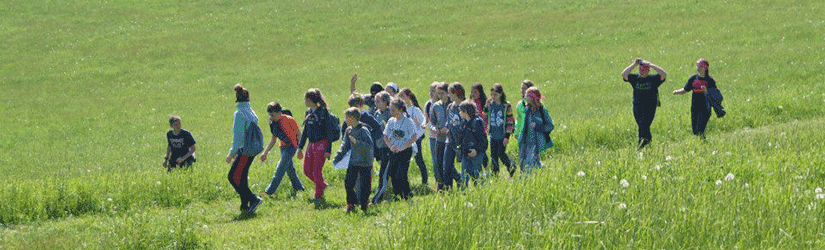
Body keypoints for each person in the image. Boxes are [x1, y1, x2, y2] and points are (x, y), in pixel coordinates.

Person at [225, 84, 263, 214]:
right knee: (242, 177)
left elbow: (238, 135)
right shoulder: (252, 112)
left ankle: (253, 199)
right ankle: (244, 206)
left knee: (232, 177)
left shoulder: (239, 113)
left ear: (237, 99)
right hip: (252, 150)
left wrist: (231, 153)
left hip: (243, 151)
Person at [377, 98, 420, 200]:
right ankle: (397, 194)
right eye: (390, 109)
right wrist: (390, 146)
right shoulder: (391, 121)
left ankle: (406, 194)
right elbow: (386, 136)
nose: (391, 112)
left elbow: (414, 137)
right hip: (393, 150)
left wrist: (402, 147)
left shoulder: (408, 121)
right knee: (392, 173)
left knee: (401, 173)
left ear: (400, 110)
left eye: (393, 110)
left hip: (405, 151)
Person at [333, 108, 374, 213]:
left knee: (365, 185)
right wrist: (337, 157)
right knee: (348, 183)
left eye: (347, 118)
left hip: (365, 162)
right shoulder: (349, 130)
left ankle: (364, 205)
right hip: (353, 161)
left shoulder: (363, 130)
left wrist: (357, 142)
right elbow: (345, 146)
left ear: (354, 118)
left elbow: (369, 145)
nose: (345, 120)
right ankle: (351, 204)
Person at [297, 88, 336, 200]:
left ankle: (318, 195)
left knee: (316, 170)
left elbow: (329, 132)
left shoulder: (324, 112)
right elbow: (305, 132)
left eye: (306, 99)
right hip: (311, 144)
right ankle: (322, 185)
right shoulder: (308, 113)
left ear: (310, 100)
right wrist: (300, 147)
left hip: (321, 144)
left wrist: (328, 150)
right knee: (307, 170)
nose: (304, 101)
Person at [260, 102, 305, 197]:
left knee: (279, 169)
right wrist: (265, 153)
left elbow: (299, 135)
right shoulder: (273, 123)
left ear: (279, 112)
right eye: (269, 115)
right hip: (283, 147)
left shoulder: (289, 120)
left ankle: (268, 192)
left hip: (291, 147)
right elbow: (273, 139)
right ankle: (299, 188)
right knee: (289, 170)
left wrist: (300, 149)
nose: (271, 117)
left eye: (272, 115)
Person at [621, 58, 668, 148]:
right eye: (640, 70)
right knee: (642, 126)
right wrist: (634, 64)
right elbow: (624, 75)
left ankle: (642, 145)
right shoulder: (635, 78)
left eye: (644, 70)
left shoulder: (653, 79)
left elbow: (664, 75)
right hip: (637, 107)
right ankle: (647, 143)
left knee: (644, 125)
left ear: (648, 70)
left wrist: (651, 64)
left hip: (650, 107)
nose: (641, 72)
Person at [673, 58, 724, 137]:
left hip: (705, 108)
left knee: (700, 130)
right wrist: (677, 92)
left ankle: (702, 143)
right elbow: (685, 89)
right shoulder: (693, 79)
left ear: (705, 68)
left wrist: (706, 90)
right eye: (697, 66)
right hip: (695, 107)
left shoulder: (710, 81)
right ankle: (701, 143)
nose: (698, 68)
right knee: (695, 130)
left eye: (700, 66)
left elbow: (715, 94)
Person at [518, 87, 554, 174]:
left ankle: (527, 179)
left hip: (536, 143)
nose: (525, 97)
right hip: (525, 142)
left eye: (527, 96)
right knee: (522, 161)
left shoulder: (542, 111)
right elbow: (524, 127)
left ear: (533, 98)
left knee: (529, 163)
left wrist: (538, 126)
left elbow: (550, 126)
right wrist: (520, 140)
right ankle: (540, 172)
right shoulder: (527, 110)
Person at [484, 83, 516, 178]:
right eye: (492, 94)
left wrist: (507, 136)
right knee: (493, 155)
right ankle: (495, 174)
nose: (493, 96)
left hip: (502, 135)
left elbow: (510, 121)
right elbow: (485, 114)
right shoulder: (490, 104)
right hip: (493, 134)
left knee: (501, 153)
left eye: (495, 94)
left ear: (501, 94)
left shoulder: (506, 106)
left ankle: (511, 167)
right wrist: (486, 105)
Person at [399, 88, 428, 186]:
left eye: (403, 96)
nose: (401, 98)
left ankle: (424, 182)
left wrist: (417, 137)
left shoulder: (415, 110)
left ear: (408, 96)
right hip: (407, 139)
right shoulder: (402, 111)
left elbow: (422, 124)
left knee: (419, 159)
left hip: (417, 138)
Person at [457, 100, 488, 187]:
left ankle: (480, 193)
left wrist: (476, 150)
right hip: (465, 154)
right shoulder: (463, 123)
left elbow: (484, 141)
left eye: (460, 111)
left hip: (476, 155)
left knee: (477, 177)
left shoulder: (476, 123)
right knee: (464, 176)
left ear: (465, 111)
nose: (459, 113)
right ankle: (463, 194)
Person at [370, 91, 393, 204]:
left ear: (386, 102)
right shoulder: (376, 113)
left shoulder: (390, 113)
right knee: (386, 170)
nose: (376, 104)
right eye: (375, 102)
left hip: (389, 147)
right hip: (380, 146)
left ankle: (379, 198)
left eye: (378, 101)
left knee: (384, 172)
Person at [442, 82, 466, 188]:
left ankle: (463, 188)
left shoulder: (465, 106)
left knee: (465, 166)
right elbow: (449, 123)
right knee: (446, 166)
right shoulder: (449, 107)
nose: (448, 96)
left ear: (455, 94)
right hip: (450, 140)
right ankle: (449, 189)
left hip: (462, 141)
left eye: (450, 93)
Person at [428, 83, 450, 190]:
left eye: (442, 93)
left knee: (448, 163)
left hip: (451, 139)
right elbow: (432, 122)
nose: (440, 95)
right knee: (439, 163)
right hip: (440, 138)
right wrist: (434, 128)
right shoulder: (436, 106)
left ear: (448, 93)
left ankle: (455, 180)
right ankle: (441, 186)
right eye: (438, 93)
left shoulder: (452, 105)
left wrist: (448, 128)